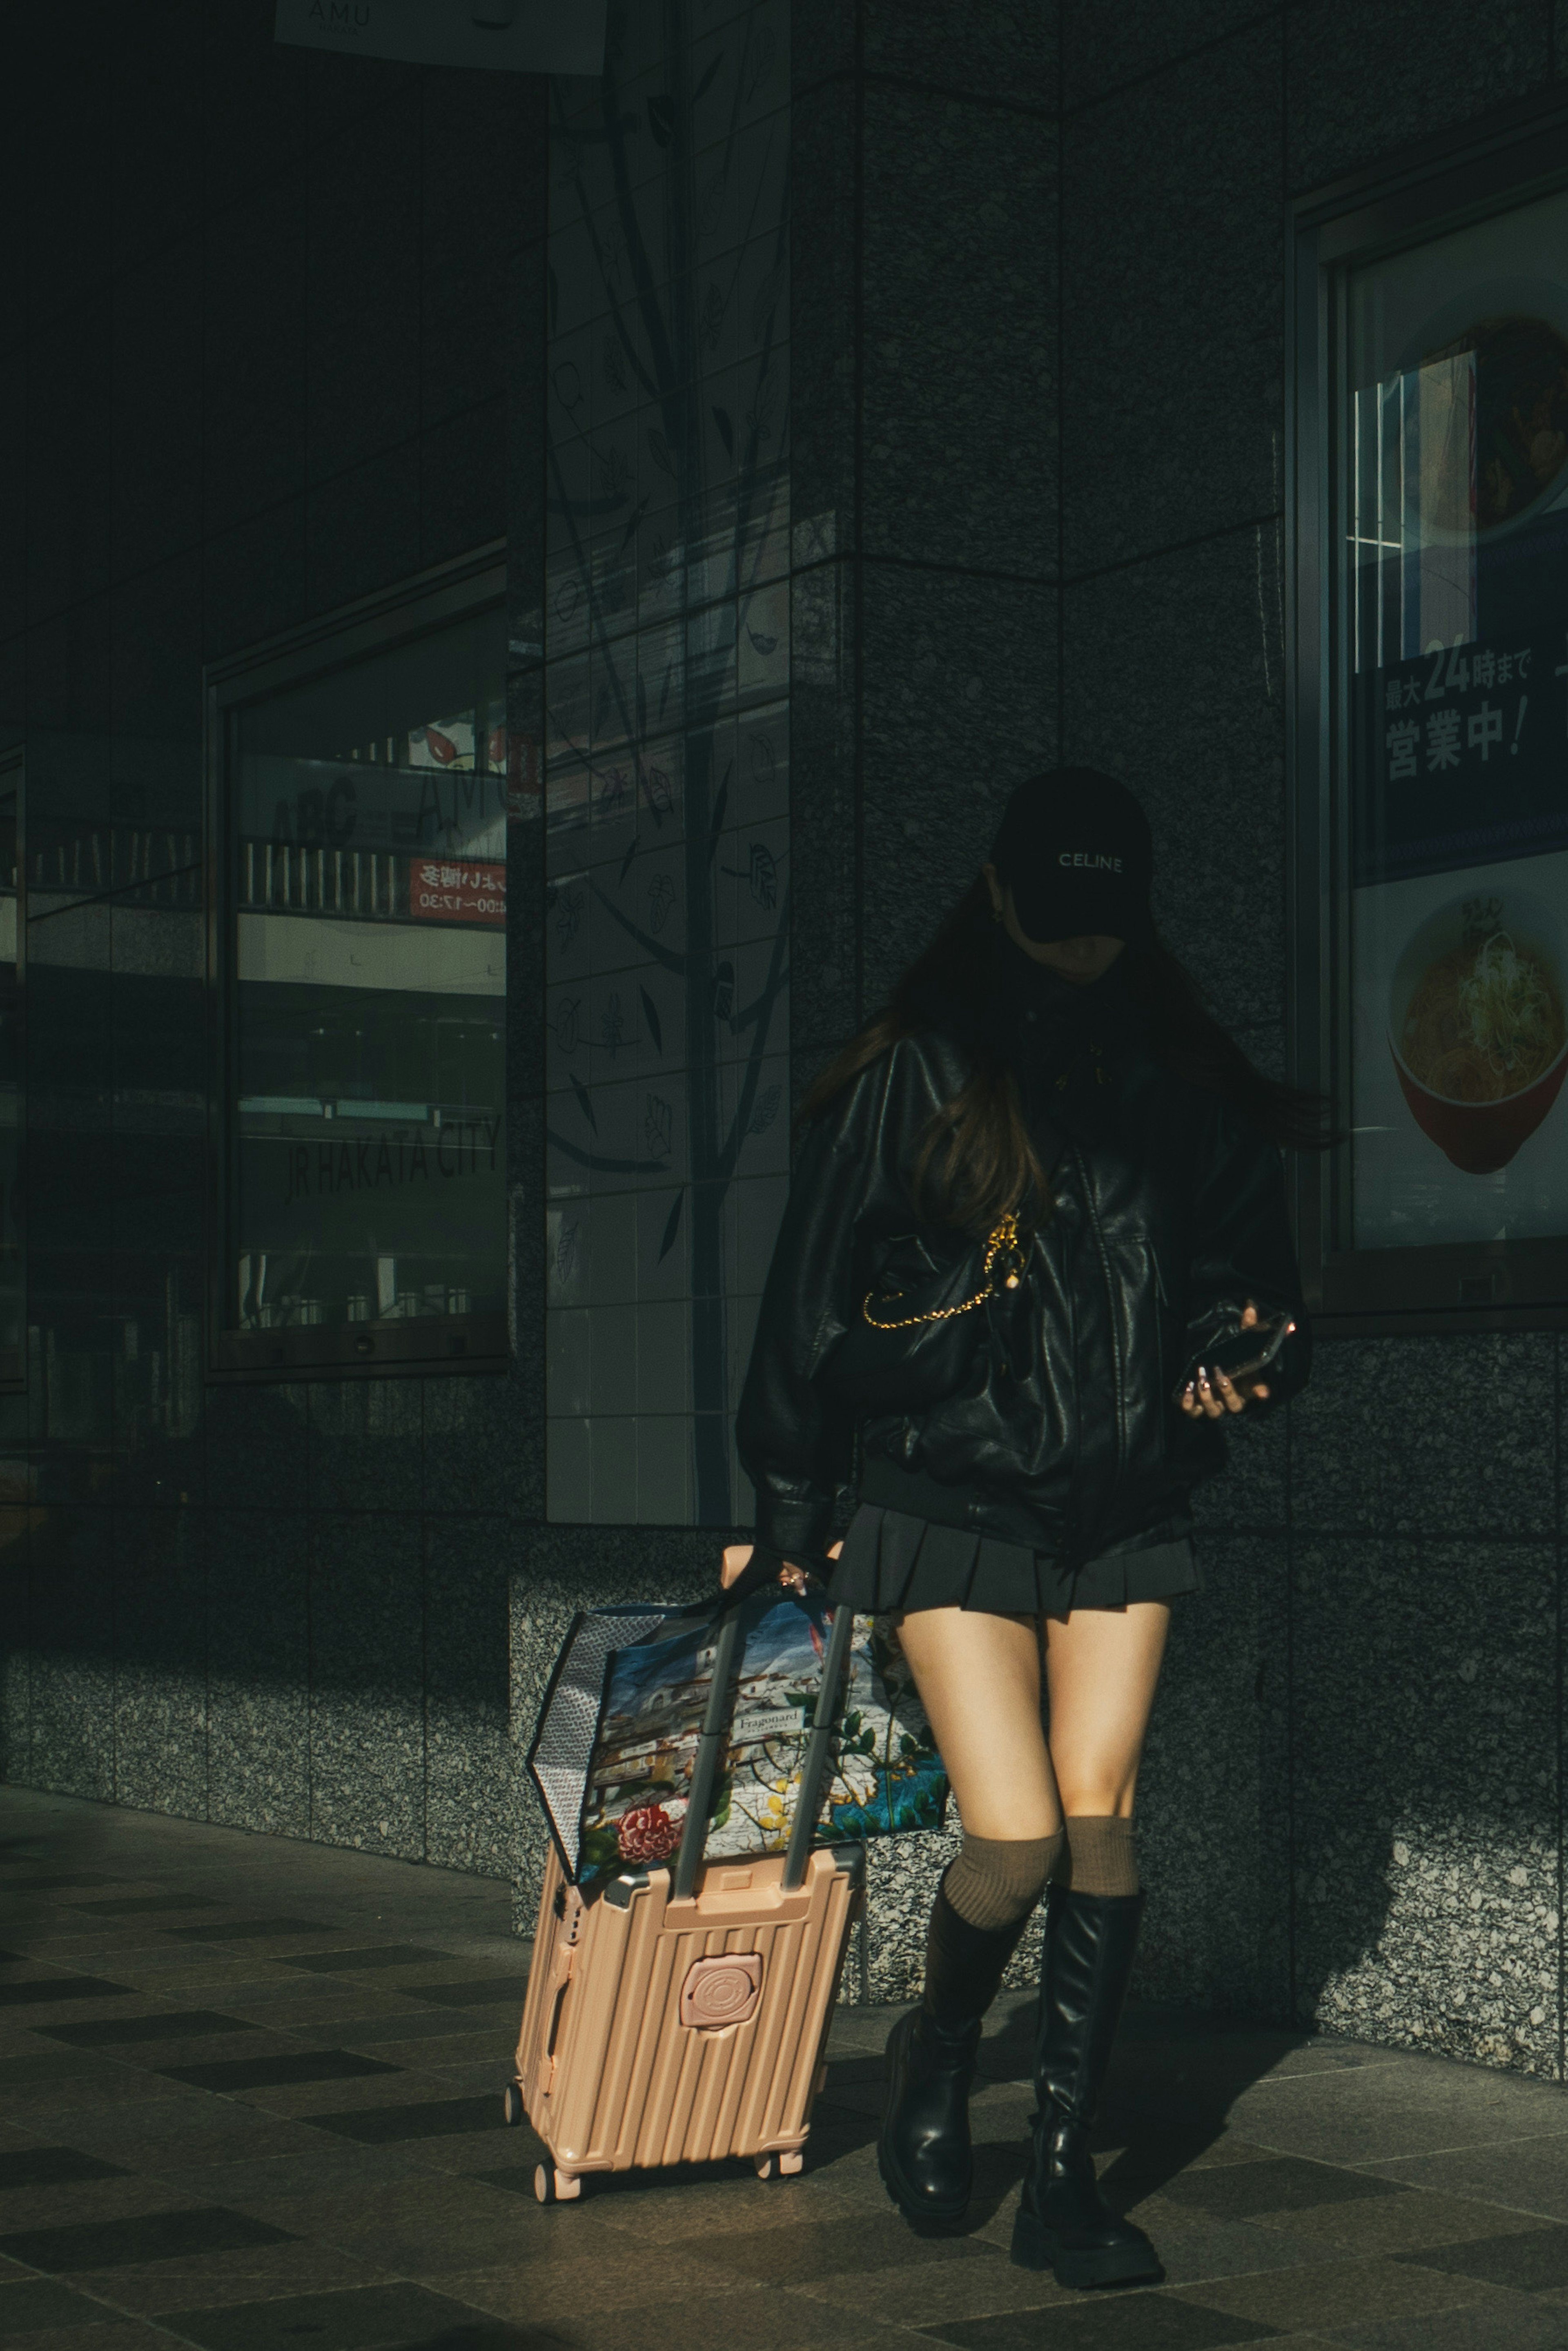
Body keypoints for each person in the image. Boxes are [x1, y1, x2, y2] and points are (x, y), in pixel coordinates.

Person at [726, 767, 1318, 2291]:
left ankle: (1059, 2177)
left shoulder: (1182, 1070)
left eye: (1101, 925)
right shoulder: (918, 1069)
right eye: (1053, 922)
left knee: (1105, 1813)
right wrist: (787, 1515)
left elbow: (1251, 1274)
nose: (1078, 951)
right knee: (1019, 1832)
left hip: (1129, 1490)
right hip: (954, 1487)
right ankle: (938, 2052)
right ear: (998, 896)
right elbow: (807, 1305)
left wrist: (1249, 1347)